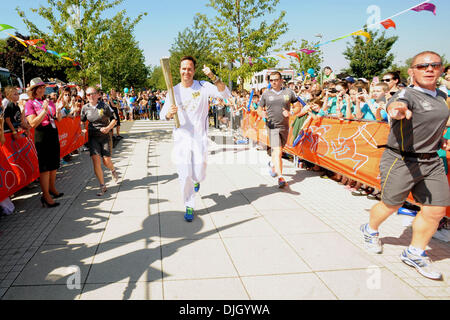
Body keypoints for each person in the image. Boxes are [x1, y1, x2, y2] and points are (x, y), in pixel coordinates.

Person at [360, 51, 450, 281]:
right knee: (391, 204)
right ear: (412, 71)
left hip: (431, 159)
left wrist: (440, 139)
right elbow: (397, 105)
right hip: (402, 159)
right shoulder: (406, 93)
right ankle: (370, 229)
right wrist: (397, 110)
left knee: (436, 209)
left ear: (440, 69)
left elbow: (433, 124)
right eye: (423, 66)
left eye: (435, 65)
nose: (429, 69)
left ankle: (415, 252)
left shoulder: (442, 96)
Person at [160, 56, 231, 222]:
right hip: (181, 138)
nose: (186, 71)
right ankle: (189, 204)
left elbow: (225, 93)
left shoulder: (204, 86)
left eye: (190, 68)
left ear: (194, 70)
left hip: (199, 138)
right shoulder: (173, 91)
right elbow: (163, 114)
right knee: (184, 175)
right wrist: (169, 113)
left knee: (198, 173)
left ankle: (197, 179)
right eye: (184, 68)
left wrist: (213, 76)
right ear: (179, 70)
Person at [257, 71, 309, 188]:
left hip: (284, 126)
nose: (273, 82)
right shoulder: (266, 94)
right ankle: (281, 178)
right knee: (278, 151)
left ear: (281, 80)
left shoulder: (289, 92)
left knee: (279, 151)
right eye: (271, 80)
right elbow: (259, 109)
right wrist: (262, 114)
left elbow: (298, 107)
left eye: (276, 80)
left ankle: (273, 164)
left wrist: (290, 112)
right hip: (272, 126)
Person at [24, 78, 64, 208]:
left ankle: (52, 189)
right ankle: (45, 195)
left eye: (43, 87)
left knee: (54, 164)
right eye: (39, 88)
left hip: (52, 132)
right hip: (42, 134)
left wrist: (58, 111)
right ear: (33, 90)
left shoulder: (47, 101)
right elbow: (33, 123)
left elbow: (57, 119)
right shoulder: (30, 103)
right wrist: (44, 110)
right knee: (45, 167)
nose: (42, 89)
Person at [80, 87, 120, 196]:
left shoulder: (105, 106)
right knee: (96, 161)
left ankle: (112, 170)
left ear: (98, 95)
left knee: (106, 162)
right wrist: (83, 128)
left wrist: (108, 128)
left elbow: (114, 119)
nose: (90, 96)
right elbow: (82, 121)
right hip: (93, 137)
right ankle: (102, 185)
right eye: (88, 95)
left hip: (105, 136)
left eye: (93, 94)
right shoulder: (85, 108)